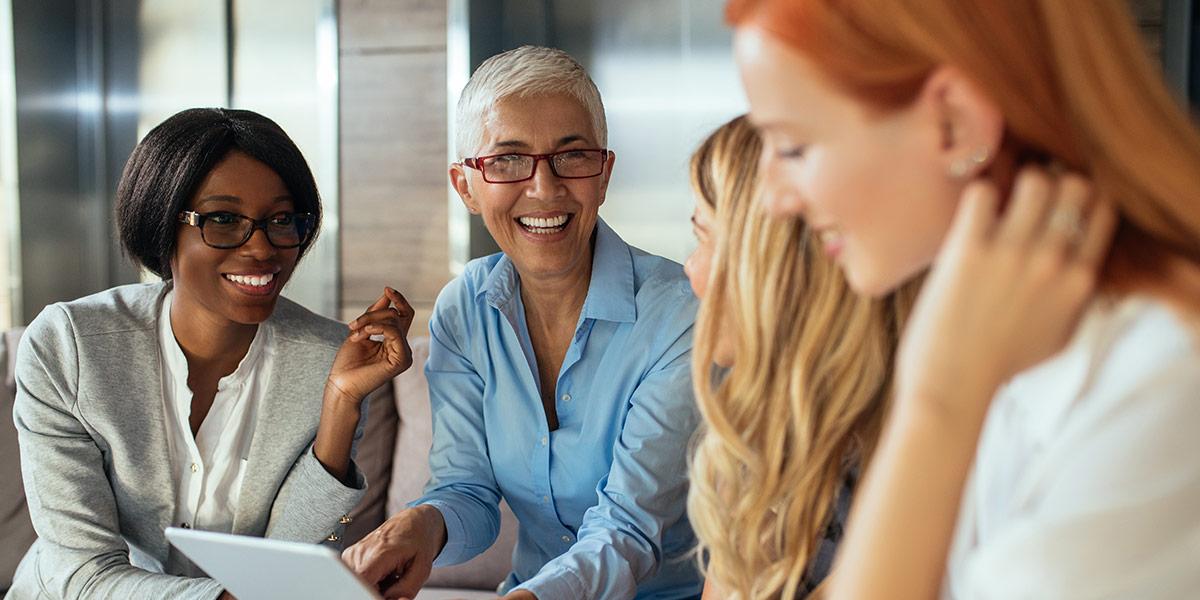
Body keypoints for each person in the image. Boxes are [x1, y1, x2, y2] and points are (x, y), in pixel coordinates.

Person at [726, 0, 1200, 598]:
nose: (771, 199)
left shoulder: (1164, 390)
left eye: (792, 147)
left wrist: (938, 403)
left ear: (956, 122)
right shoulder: (1011, 323)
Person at [343, 46, 704, 600]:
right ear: (466, 185)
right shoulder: (465, 307)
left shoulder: (680, 313)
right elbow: (466, 489)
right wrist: (422, 525)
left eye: (572, 155)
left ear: (604, 174)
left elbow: (629, 529)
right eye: (508, 159)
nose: (544, 187)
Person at [10, 107, 414, 600]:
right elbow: (81, 572)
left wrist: (340, 406)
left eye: (281, 220)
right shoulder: (69, 347)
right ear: (161, 223)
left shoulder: (334, 358)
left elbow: (294, 567)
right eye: (223, 219)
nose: (262, 248)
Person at [681, 115, 917, 599]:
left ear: (771, 272)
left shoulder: (898, 469)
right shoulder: (760, 437)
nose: (689, 266)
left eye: (704, 238)